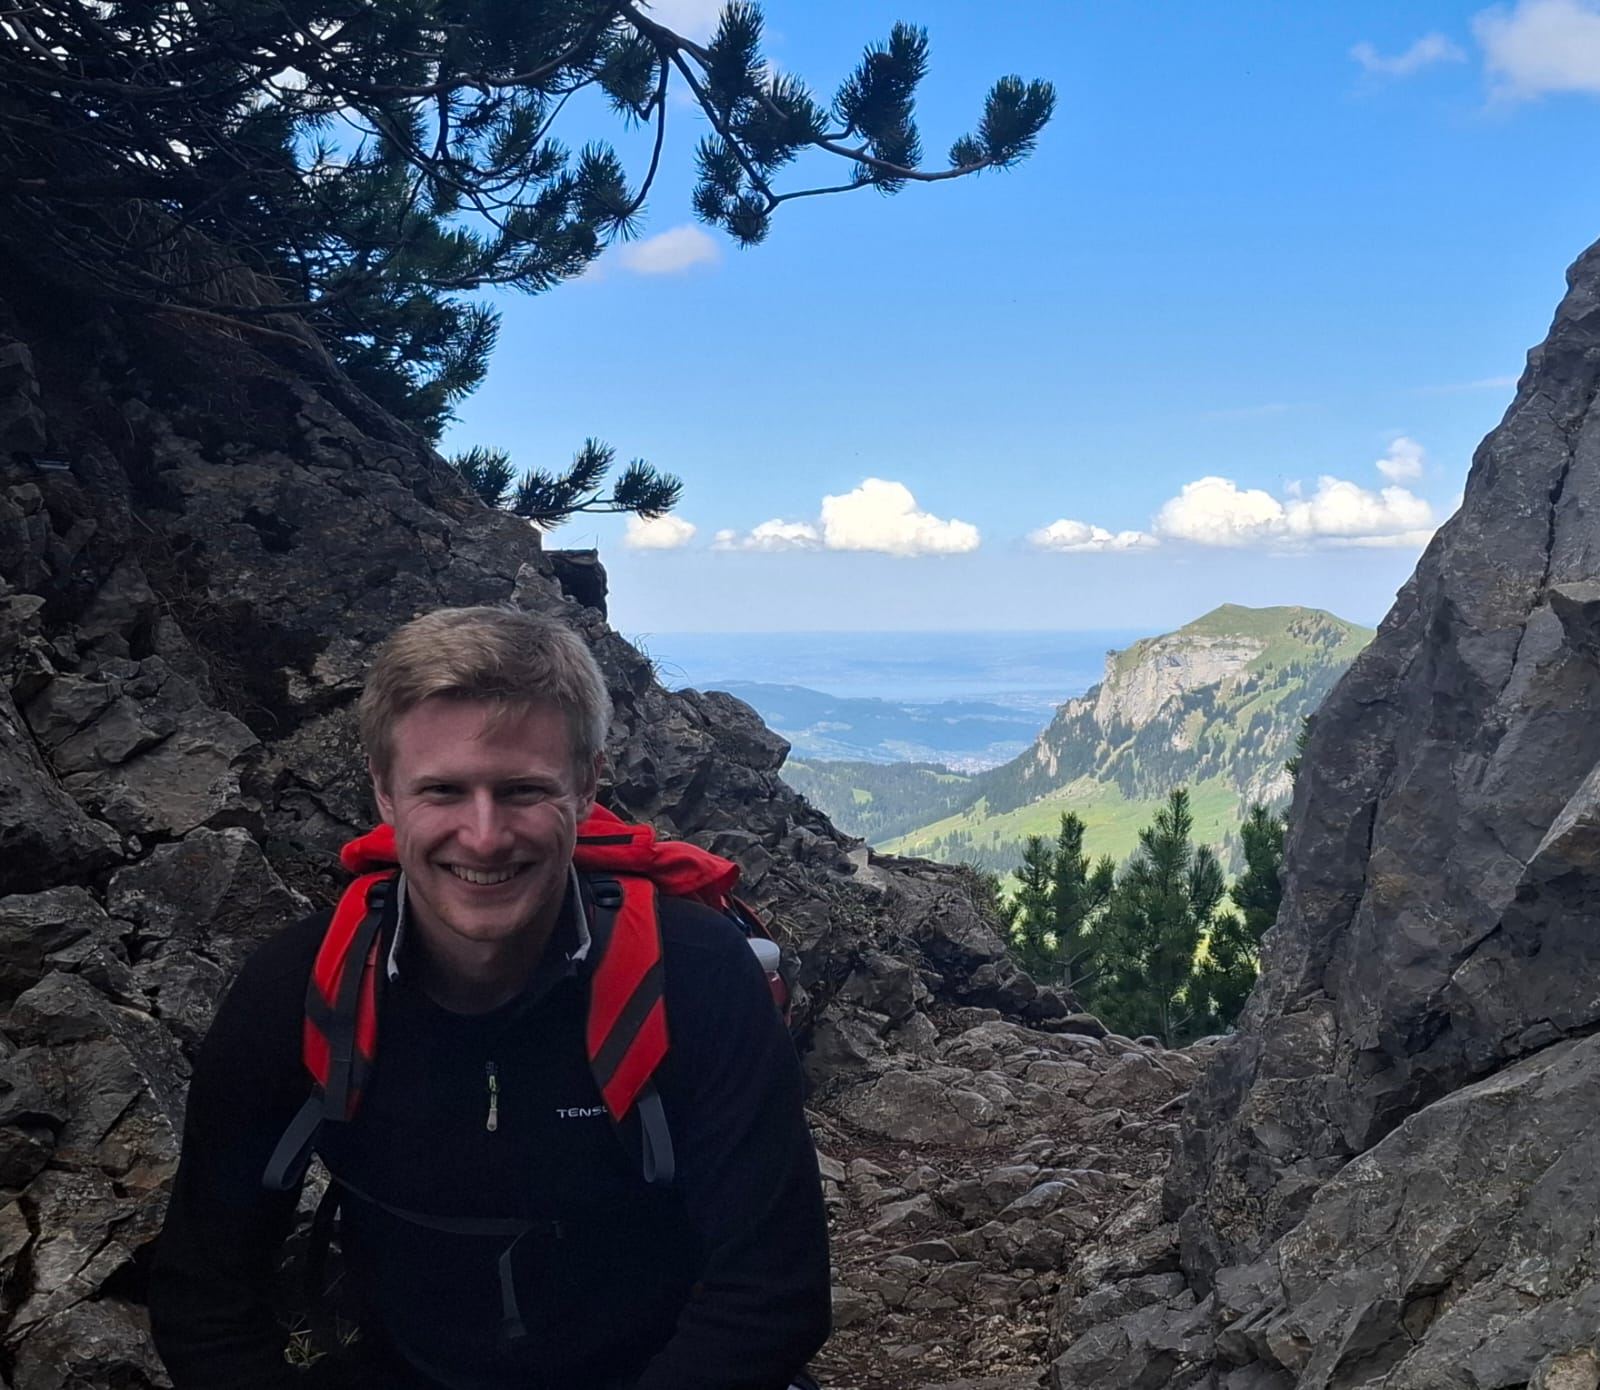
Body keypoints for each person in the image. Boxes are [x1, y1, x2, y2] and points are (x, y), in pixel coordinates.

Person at [148, 605, 832, 1389]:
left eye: (521, 791)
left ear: (586, 786)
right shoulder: (303, 990)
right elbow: (205, 1298)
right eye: (442, 790)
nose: (483, 836)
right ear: (384, 792)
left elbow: (770, 1293)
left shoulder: (692, 973)